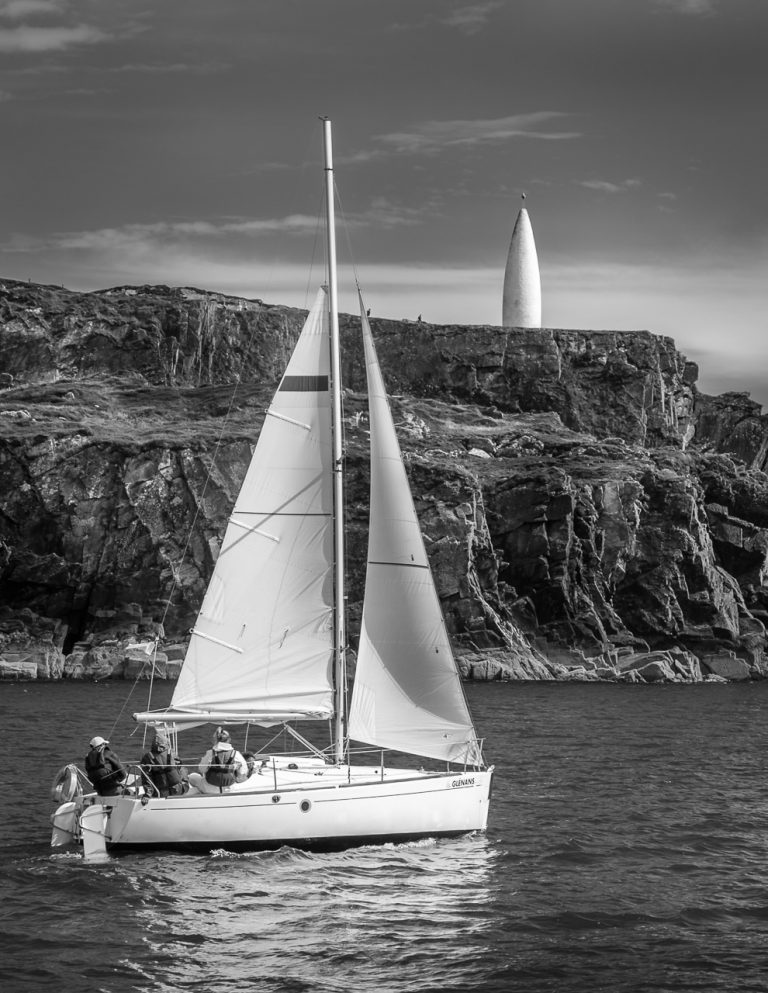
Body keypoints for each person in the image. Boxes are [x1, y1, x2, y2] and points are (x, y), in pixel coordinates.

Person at [194, 728, 248, 794]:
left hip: (210, 789)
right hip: (230, 789)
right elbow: (243, 771)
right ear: (229, 740)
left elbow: (201, 769)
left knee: (192, 776)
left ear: (216, 740)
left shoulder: (210, 753)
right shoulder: (236, 754)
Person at [140, 728, 188, 798]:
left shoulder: (147, 758)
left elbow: (146, 778)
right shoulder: (172, 753)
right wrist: (185, 782)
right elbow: (181, 769)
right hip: (179, 790)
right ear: (166, 743)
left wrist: (148, 794)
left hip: (161, 793)